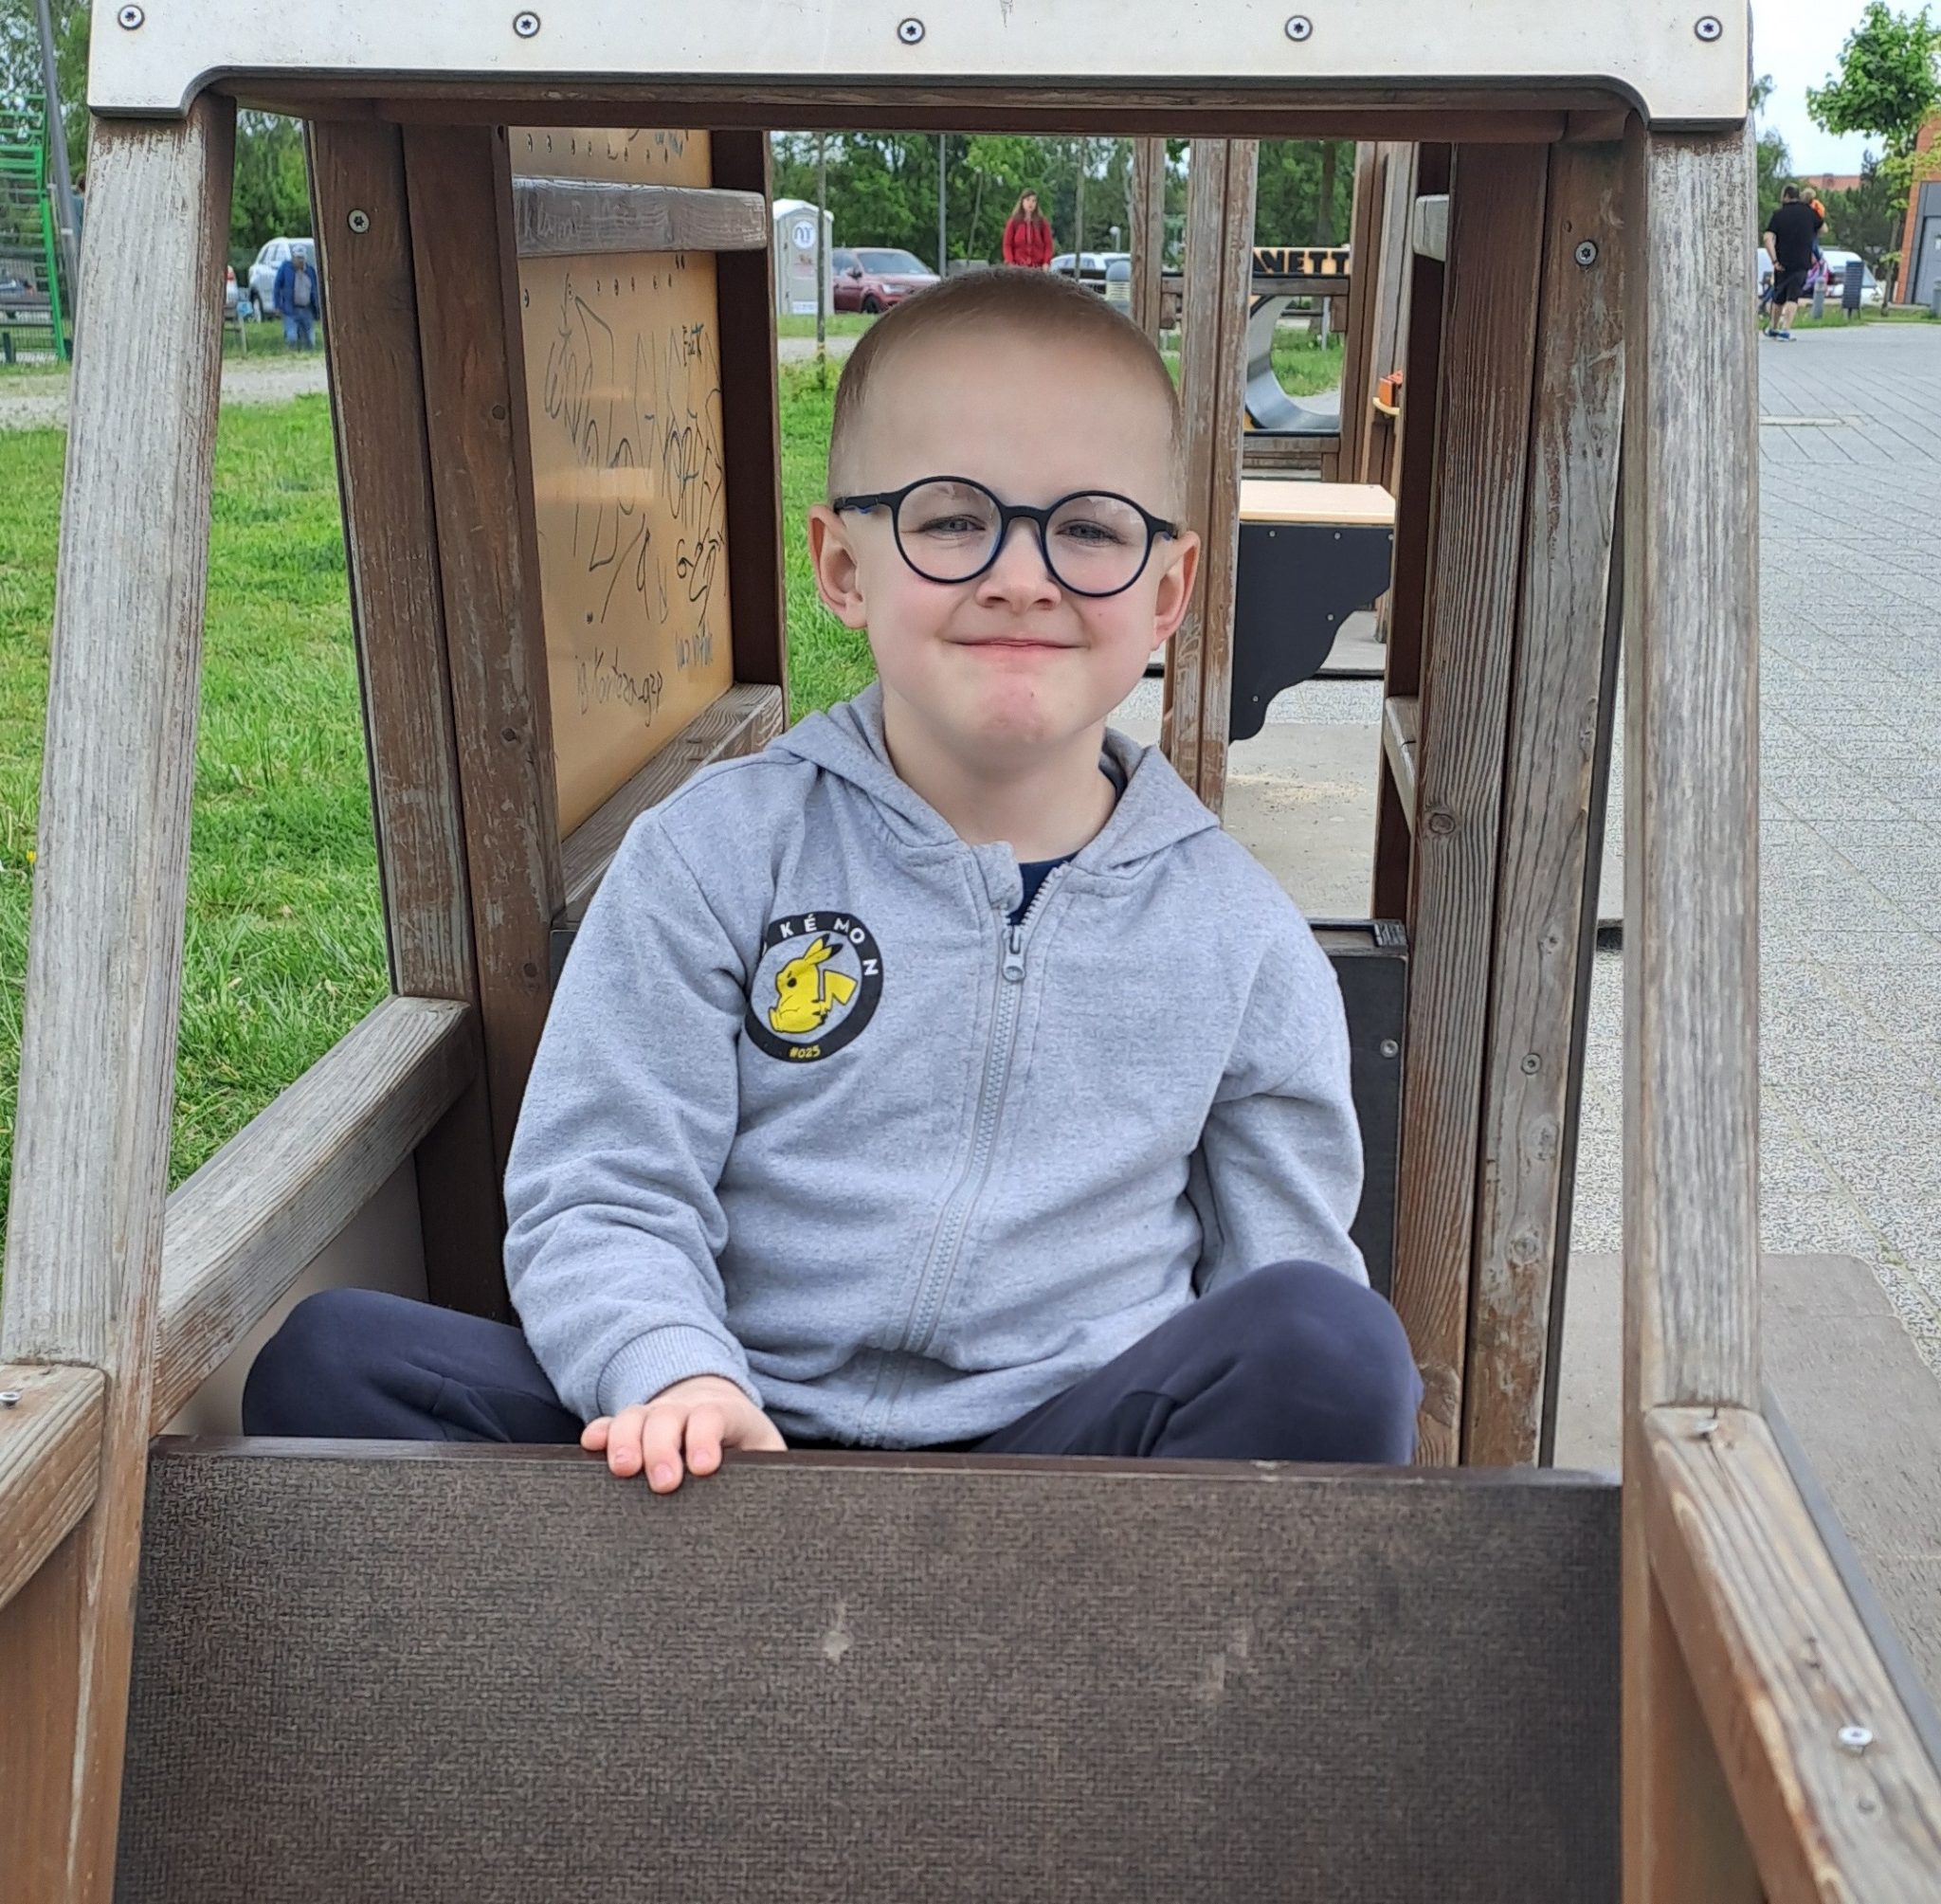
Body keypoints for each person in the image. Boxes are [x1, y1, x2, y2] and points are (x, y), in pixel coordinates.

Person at [240, 269, 1423, 1485]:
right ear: (842, 566)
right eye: (950, 519)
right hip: (721, 1451)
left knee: (1333, 1346)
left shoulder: (1237, 934)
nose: (1021, 575)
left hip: (1062, 1475)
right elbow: (604, 1185)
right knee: (333, 1363)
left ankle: (1010, 1617)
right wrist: (671, 1370)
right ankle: (745, 1596)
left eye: (1088, 528)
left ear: (1166, 590)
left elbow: (1280, 1274)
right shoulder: (715, 854)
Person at [1763, 184, 1823, 340]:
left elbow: (1767, 238)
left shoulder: (1778, 215)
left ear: (1786, 196)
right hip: (1802, 261)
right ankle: (1785, 329)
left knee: (1779, 296)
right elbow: (1824, 229)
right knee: (1793, 297)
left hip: (1782, 261)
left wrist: (1774, 259)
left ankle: (1773, 327)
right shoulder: (1809, 213)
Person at [273, 244, 321, 351]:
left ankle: (307, 356)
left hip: (307, 309)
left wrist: (317, 307)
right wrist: (277, 305)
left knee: (310, 341)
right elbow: (277, 287)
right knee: (292, 338)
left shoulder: (310, 270)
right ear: (293, 258)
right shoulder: (285, 268)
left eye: (302, 258)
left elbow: (315, 289)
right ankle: (292, 355)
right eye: (298, 258)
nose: (300, 261)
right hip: (290, 309)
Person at [1002, 190, 1055, 269]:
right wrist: (1010, 262)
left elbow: (1048, 245)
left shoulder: (1042, 223)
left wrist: (1046, 262)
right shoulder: (1014, 222)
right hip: (1017, 267)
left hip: (1038, 267)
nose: (1031, 203)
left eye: (1034, 201)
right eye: (1028, 200)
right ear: (1022, 202)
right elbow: (1007, 245)